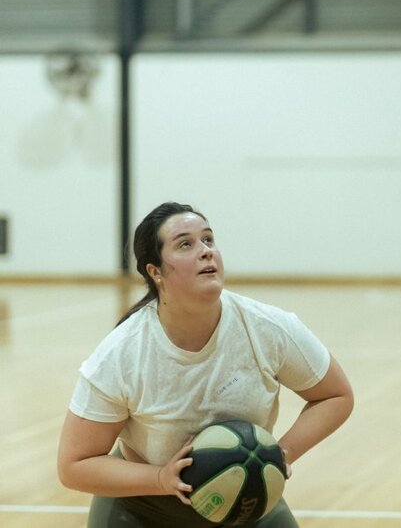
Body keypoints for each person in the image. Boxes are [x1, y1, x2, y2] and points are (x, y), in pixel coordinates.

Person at [57, 202, 354, 528]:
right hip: (144, 510)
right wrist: (160, 478)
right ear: (155, 272)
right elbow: (74, 464)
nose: (206, 251)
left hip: (246, 502)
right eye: (186, 244)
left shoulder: (266, 327)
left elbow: (335, 395)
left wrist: (280, 455)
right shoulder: (122, 354)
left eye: (209, 240)